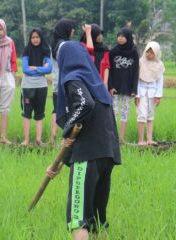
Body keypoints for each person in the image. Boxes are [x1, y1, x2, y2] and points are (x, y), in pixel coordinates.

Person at [46, 41, 121, 240]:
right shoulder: (97, 85)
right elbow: (86, 127)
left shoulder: (73, 78)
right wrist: (60, 161)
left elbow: (84, 105)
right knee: (97, 219)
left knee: (78, 218)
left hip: (87, 158)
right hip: (107, 156)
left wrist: (66, 130)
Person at [20, 28, 52, 146]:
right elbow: (25, 69)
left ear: (41, 38)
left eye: (37, 37)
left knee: (40, 112)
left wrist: (35, 68)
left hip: (41, 86)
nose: (35, 40)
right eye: (33, 37)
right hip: (28, 87)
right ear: (30, 39)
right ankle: (26, 140)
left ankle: (38, 139)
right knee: (27, 112)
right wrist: (41, 69)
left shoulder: (45, 50)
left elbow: (49, 69)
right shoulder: (26, 50)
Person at [108, 27, 139, 143]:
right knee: (114, 112)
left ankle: (122, 138)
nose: (120, 38)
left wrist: (134, 89)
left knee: (125, 113)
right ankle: (113, 138)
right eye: (119, 36)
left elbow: (136, 72)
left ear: (128, 38)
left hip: (128, 88)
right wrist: (110, 86)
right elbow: (109, 70)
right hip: (115, 88)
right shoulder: (113, 52)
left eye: (123, 36)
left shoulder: (134, 52)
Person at [49, 18, 76, 143]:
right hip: (65, 83)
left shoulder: (54, 45)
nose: (73, 31)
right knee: (68, 111)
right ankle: (66, 137)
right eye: (71, 28)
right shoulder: (64, 45)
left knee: (56, 109)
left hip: (56, 83)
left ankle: (53, 136)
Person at [135, 41, 164, 146]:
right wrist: (137, 95)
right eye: (148, 52)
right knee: (141, 115)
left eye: (152, 53)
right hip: (141, 92)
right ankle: (141, 140)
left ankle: (149, 139)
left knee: (150, 116)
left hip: (153, 92)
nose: (149, 54)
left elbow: (160, 81)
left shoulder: (159, 65)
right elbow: (136, 80)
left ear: (156, 53)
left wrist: (158, 95)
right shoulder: (140, 62)